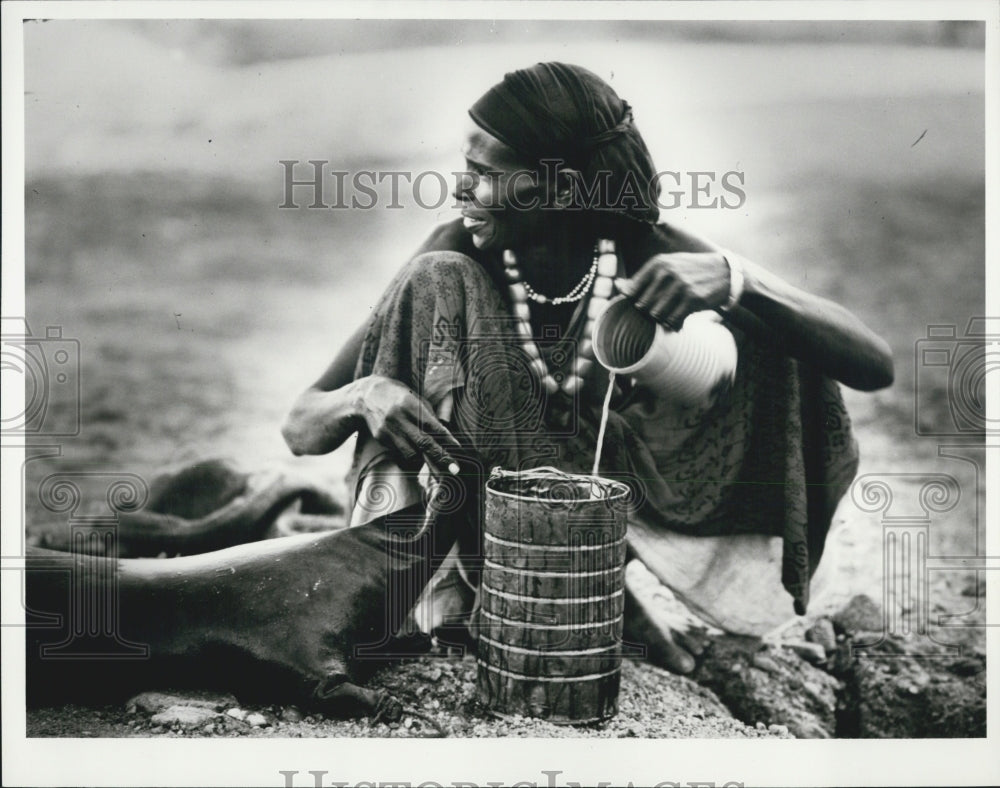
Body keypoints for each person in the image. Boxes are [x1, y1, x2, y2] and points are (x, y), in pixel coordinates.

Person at [282, 62, 894, 673]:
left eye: (485, 175)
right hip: (466, 535)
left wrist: (740, 281)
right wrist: (365, 395)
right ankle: (463, 604)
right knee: (436, 281)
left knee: (770, 324)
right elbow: (302, 425)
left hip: (605, 524)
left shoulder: (646, 254)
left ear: (564, 188)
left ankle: (603, 599)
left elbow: (873, 364)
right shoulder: (455, 251)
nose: (460, 190)